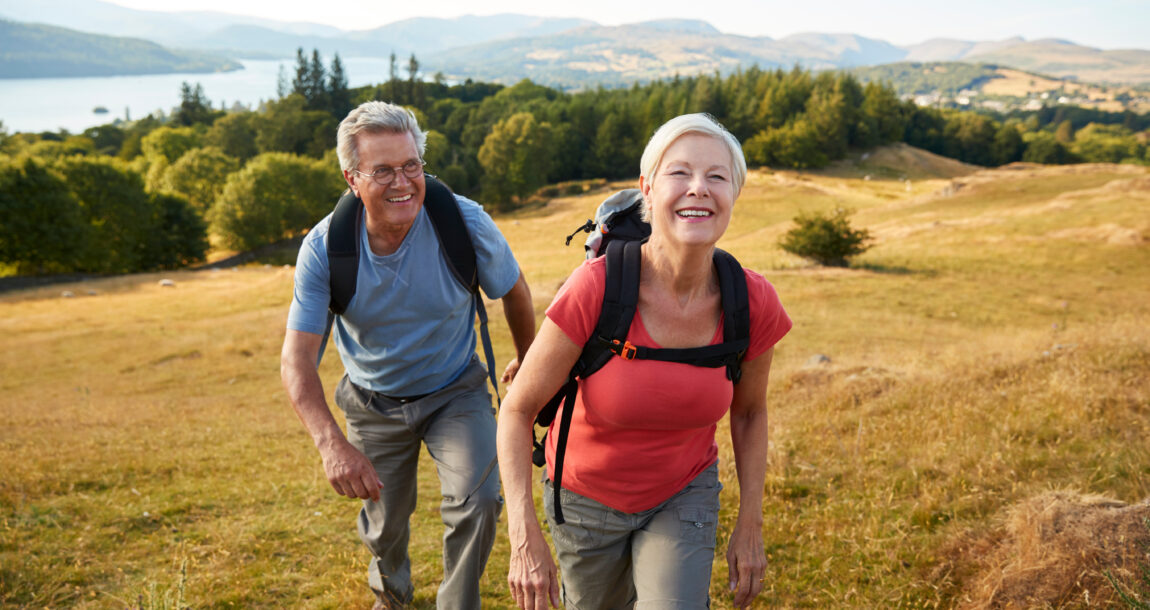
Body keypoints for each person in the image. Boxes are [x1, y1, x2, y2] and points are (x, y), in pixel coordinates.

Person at [496, 113, 791, 610]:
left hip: (684, 491)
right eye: (680, 172)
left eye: (717, 176)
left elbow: (749, 412)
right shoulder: (596, 287)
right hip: (584, 497)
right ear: (647, 191)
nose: (699, 188)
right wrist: (523, 536)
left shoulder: (752, 301)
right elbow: (517, 410)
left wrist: (751, 522)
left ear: (734, 195)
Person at [281, 101, 536, 609]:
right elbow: (296, 359)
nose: (402, 183)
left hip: (455, 390)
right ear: (352, 179)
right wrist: (331, 443)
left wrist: (529, 362)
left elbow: (515, 292)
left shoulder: (463, 221)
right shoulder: (325, 248)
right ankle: (392, 595)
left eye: (411, 165)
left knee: (479, 500)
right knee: (384, 524)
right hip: (371, 401)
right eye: (382, 171)